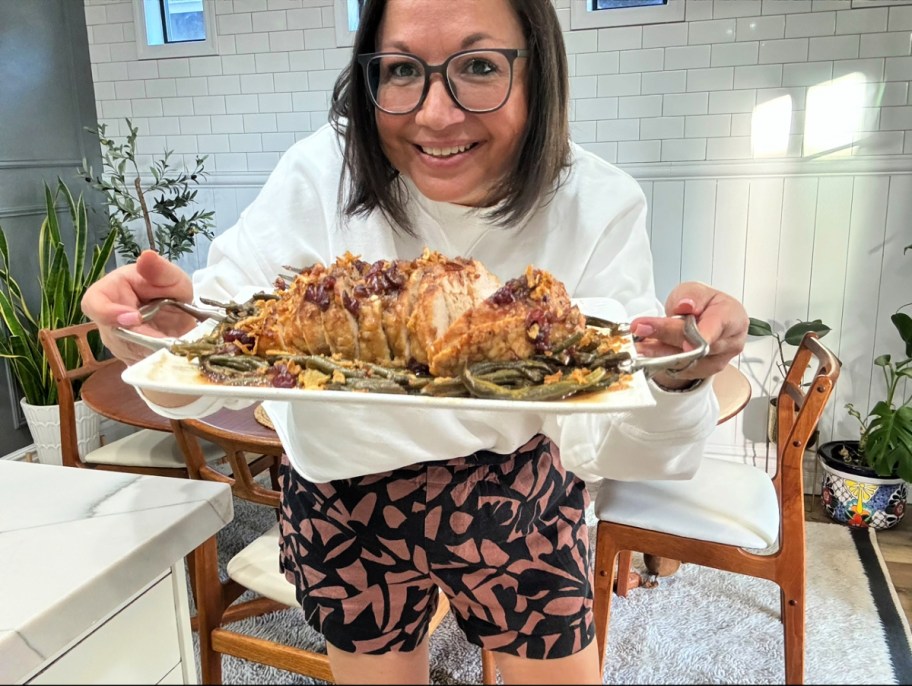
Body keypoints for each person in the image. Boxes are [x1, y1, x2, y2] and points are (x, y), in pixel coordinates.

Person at [82, 0, 749, 683]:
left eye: (480, 65)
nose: (436, 114)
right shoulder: (319, 175)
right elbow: (209, 344)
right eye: (402, 70)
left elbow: (625, 443)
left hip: (517, 483)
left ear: (539, 74)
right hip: (341, 489)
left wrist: (674, 377)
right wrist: (154, 333)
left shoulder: (596, 203)